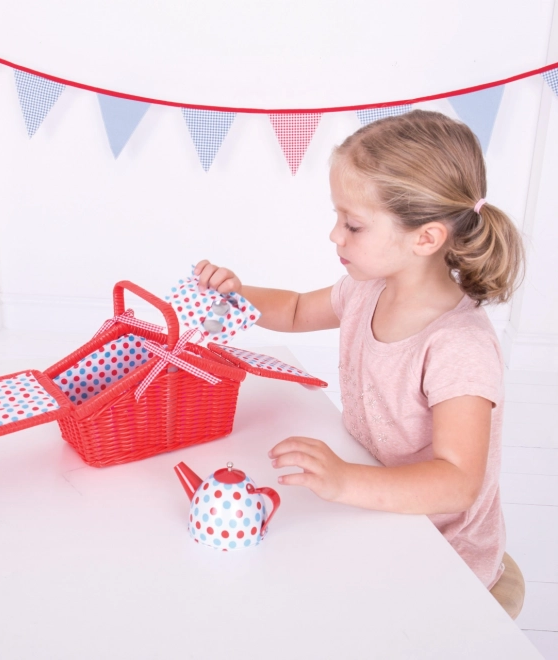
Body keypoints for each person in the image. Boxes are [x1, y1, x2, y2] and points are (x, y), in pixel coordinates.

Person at [194, 109, 525, 589]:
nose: (335, 235)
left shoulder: (458, 347)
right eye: (337, 218)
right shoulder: (367, 288)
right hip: (375, 504)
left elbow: (457, 482)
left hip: (442, 558)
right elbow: (292, 311)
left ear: (426, 238)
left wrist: (345, 481)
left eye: (353, 225)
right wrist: (234, 292)